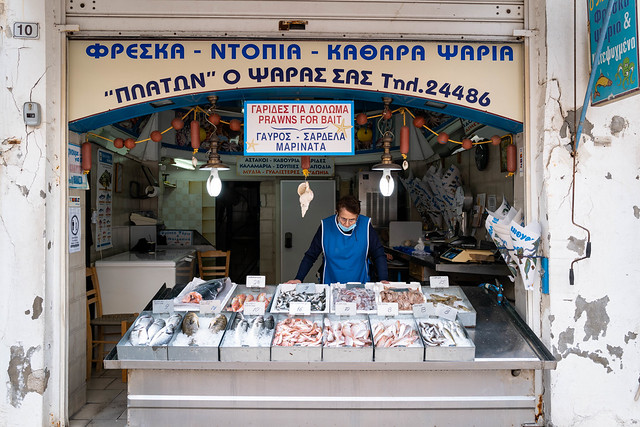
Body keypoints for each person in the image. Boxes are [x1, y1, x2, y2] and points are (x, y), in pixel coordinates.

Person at [287, 195, 389, 284]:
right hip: (331, 285)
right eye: (343, 219)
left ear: (358, 217)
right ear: (337, 213)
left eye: (352, 220)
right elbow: (310, 256)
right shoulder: (326, 226)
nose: (347, 224)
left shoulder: (366, 226)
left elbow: (378, 254)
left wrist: (383, 279)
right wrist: (299, 278)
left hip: (360, 286)